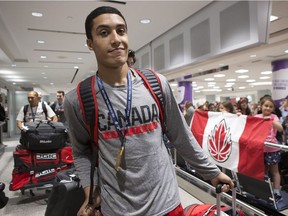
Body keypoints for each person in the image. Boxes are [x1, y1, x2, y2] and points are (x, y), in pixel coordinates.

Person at [64, 6, 233, 216]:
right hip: (117, 208)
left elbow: (180, 135)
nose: (116, 39)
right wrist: (92, 192)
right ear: (90, 43)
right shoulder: (78, 99)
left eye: (121, 30)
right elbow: (81, 152)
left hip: (168, 203)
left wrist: (211, 171)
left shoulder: (155, 84)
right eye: (104, 33)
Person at [255, 97, 283, 203]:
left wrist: (270, 120)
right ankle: (264, 190)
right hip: (260, 149)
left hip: (272, 149)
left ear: (273, 109)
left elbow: (280, 128)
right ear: (261, 106)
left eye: (270, 106)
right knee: (263, 171)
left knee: (274, 171)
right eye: (266, 105)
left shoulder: (274, 117)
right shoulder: (257, 117)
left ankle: (277, 192)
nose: (268, 108)